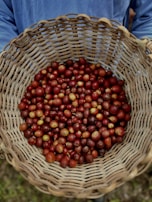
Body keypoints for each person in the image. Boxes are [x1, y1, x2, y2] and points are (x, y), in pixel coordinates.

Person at [0, 1, 152, 202]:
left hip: (110, 58)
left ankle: (95, 195)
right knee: (66, 178)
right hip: (31, 60)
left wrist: (145, 47)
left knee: (99, 182)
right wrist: (7, 55)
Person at [0, 0, 152, 52]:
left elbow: (149, 13)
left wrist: (143, 57)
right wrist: (10, 62)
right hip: (29, 71)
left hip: (112, 71)